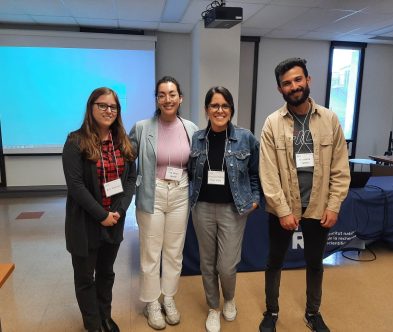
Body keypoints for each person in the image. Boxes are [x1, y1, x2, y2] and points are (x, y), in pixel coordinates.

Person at [258, 58, 350, 332]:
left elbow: (340, 166)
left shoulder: (329, 119)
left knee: (315, 263)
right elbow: (268, 172)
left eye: (298, 80)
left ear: (308, 80)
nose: (294, 86)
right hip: (284, 208)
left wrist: (334, 206)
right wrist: (283, 210)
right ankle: (271, 312)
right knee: (274, 261)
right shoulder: (272, 124)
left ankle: (313, 313)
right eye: (287, 83)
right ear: (280, 89)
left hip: (319, 207)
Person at [62, 87, 136, 332]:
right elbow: (76, 185)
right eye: (102, 105)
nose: (108, 110)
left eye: (113, 106)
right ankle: (93, 325)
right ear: (91, 107)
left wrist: (119, 211)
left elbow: (130, 178)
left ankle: (105, 316)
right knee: (85, 279)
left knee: (106, 273)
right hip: (85, 223)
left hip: (114, 221)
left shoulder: (122, 140)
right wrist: (101, 215)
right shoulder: (75, 141)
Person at [189, 86, 261, 332]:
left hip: (234, 209)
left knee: (227, 265)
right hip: (202, 208)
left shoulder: (245, 137)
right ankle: (213, 307)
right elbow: (189, 174)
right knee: (207, 263)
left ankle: (229, 298)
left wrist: (254, 198)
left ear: (231, 109)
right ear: (207, 110)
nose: (220, 110)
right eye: (214, 106)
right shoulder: (197, 138)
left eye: (225, 106)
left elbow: (255, 173)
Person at [129, 76, 198, 330]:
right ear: (156, 99)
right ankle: (151, 302)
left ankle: (168, 298)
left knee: (174, 250)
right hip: (152, 192)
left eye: (172, 94)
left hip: (180, 191)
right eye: (161, 94)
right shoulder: (141, 127)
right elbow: (126, 158)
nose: (167, 99)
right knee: (150, 250)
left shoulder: (191, 128)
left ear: (180, 98)